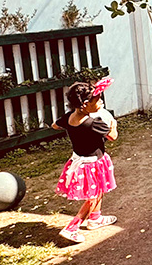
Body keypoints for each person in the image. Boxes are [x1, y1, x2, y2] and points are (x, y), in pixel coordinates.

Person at [51, 80, 119, 243]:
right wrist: (113, 125)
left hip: (79, 161)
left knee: (98, 191)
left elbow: (55, 125)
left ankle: (95, 219)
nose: (101, 103)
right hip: (94, 164)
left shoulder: (69, 117)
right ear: (85, 104)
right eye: (98, 101)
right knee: (94, 197)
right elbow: (112, 137)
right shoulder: (94, 123)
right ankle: (72, 227)